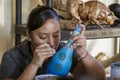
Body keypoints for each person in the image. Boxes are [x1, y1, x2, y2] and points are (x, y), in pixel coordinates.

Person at [0, 5, 105, 80]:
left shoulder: (63, 51)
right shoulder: (12, 57)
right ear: (29, 34)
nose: (51, 42)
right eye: (43, 36)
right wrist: (34, 64)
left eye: (56, 35)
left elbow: (99, 77)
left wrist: (82, 52)